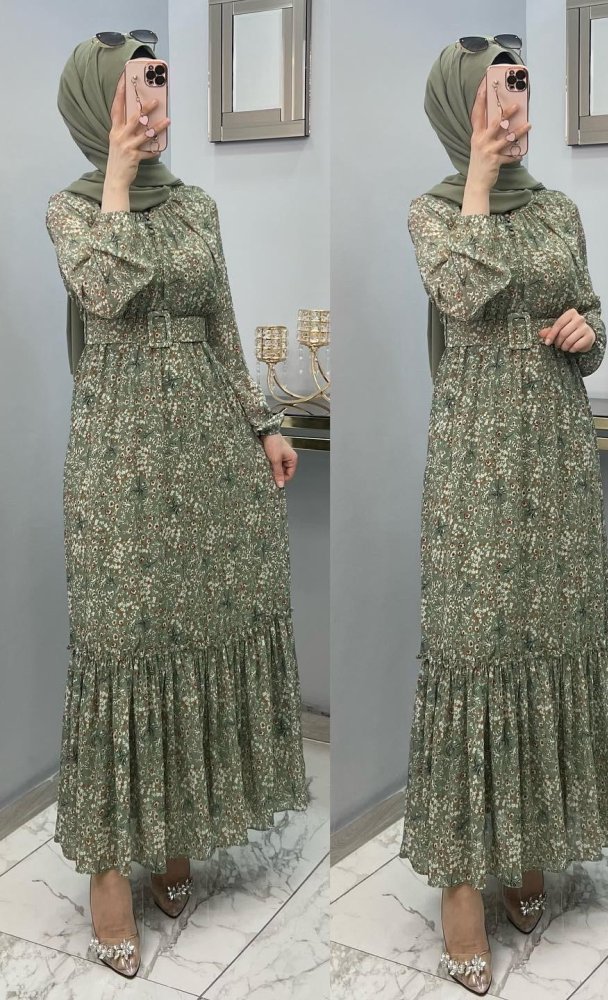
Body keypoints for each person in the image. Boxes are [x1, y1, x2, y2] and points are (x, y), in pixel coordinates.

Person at [47, 33, 308, 978]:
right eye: (134, 95)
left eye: (160, 92)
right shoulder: (72, 210)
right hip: (120, 465)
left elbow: (220, 325)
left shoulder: (197, 206)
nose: (153, 111)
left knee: (197, 640)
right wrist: (118, 175)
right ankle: (109, 874)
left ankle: (176, 838)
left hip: (211, 460)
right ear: (97, 106)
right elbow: (105, 291)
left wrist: (264, 424)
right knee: (124, 650)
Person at [400, 36, 608, 995]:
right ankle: (463, 881)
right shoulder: (432, 213)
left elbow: (591, 320)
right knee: (476, 646)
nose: (514, 111)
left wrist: (587, 332)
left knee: (546, 638)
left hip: (557, 458)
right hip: (475, 457)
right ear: (460, 109)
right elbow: (463, 292)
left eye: (523, 91)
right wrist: (481, 178)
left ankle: (531, 844)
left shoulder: (561, 210)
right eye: (495, 94)